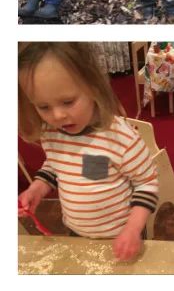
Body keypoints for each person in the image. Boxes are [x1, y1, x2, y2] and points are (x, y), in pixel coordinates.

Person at [18, 43, 159, 260]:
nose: (57, 116)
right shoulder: (51, 132)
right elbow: (58, 164)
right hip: (77, 231)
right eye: (43, 107)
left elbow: (147, 184)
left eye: (67, 102)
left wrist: (133, 229)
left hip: (122, 235)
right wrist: (38, 187)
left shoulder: (121, 137)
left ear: (93, 87)